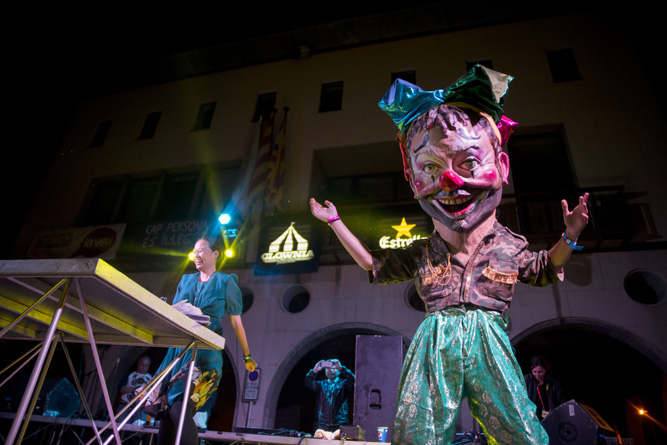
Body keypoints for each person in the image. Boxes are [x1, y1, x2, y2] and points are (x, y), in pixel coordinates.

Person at [310, 65, 589, 445]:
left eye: (468, 163)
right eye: (431, 167)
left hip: (490, 338)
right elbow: (372, 264)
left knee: (519, 430)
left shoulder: (509, 245)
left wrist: (570, 236)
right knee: (417, 432)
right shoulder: (423, 252)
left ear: (501, 166)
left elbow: (544, 268)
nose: (450, 181)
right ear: (412, 179)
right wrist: (335, 222)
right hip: (435, 339)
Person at [148, 237, 257, 445]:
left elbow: (236, 322)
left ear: (215, 253)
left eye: (200, 250)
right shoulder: (186, 280)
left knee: (179, 409)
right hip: (179, 351)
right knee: (167, 412)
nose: (195, 255)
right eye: (193, 251)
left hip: (205, 357)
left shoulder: (226, 282)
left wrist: (247, 355)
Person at [305, 359, 355, 438]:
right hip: (323, 424)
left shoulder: (343, 384)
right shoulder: (321, 385)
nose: (330, 370)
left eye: (333, 368)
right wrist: (314, 371)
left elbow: (353, 379)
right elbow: (308, 383)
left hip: (340, 423)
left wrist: (342, 368)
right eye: (327, 368)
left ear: (338, 371)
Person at [117, 354, 152, 424]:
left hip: (140, 408)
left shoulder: (150, 378)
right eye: (142, 364)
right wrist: (135, 389)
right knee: (120, 425)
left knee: (138, 427)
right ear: (138, 364)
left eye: (146, 365)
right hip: (125, 405)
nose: (143, 367)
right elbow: (121, 389)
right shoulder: (130, 375)